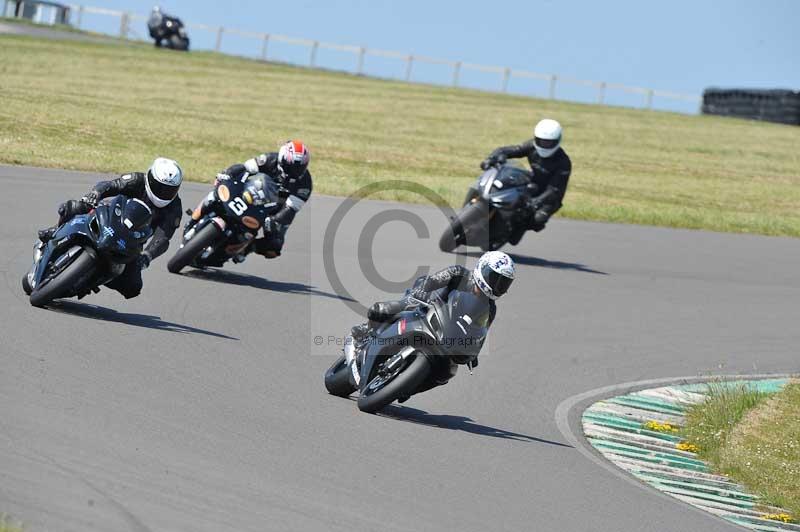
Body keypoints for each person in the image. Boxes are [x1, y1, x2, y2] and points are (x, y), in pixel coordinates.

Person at [350, 251, 515, 393]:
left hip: (448, 336)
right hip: (424, 308)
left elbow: (480, 333)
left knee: (447, 372)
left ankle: (407, 387)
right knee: (384, 308)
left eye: (504, 283)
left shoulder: (489, 309)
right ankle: (367, 330)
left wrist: (473, 352)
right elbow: (432, 281)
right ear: (482, 268)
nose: (498, 285)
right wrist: (422, 291)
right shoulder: (459, 274)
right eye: (495, 278)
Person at [37, 157, 184, 299]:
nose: (163, 193)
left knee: (133, 287)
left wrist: (148, 255)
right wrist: (96, 193)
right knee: (73, 207)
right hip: (107, 215)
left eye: (169, 190)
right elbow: (111, 185)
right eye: (159, 186)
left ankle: (92, 280)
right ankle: (55, 230)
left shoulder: (175, 208)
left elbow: (163, 237)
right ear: (150, 178)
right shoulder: (136, 180)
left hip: (131, 241)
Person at [184, 140, 312, 261]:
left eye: (299, 167)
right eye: (291, 166)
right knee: (215, 195)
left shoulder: (305, 185)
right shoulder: (269, 159)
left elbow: (290, 210)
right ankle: (193, 220)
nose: (294, 171)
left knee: (274, 246)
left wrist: (274, 220)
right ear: (281, 160)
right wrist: (226, 174)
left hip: (271, 212)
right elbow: (244, 168)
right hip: (248, 193)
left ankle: (245, 249)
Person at [481, 118, 571, 237]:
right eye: (541, 141)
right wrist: (492, 158)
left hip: (549, 197)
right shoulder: (531, 146)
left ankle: (511, 233)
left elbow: (555, 189)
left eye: (549, 142)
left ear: (557, 141)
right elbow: (509, 150)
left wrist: (537, 202)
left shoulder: (563, 162)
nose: (545, 145)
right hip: (533, 184)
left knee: (537, 220)